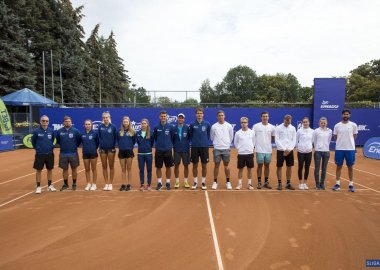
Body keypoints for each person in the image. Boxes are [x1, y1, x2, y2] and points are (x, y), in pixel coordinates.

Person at [332, 109, 358, 192]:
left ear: (349, 115)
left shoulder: (353, 125)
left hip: (350, 149)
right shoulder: (337, 126)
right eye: (344, 114)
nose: (345, 116)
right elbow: (335, 137)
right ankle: (337, 184)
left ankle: (351, 184)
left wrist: (350, 143)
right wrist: (340, 143)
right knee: (338, 166)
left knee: (350, 167)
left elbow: (354, 136)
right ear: (342, 115)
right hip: (339, 149)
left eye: (347, 114)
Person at [31, 115, 56, 194]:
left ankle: (49, 186)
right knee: (38, 170)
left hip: (49, 154)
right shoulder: (36, 131)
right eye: (43, 121)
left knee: (50, 169)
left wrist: (50, 148)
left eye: (46, 121)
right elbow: (33, 142)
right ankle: (38, 187)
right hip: (40, 154)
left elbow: (52, 140)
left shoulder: (51, 131)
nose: (45, 122)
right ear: (40, 121)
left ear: (48, 122)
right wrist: (38, 149)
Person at [56, 116, 81, 191]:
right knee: (65, 169)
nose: (67, 122)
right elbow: (58, 141)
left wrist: (74, 146)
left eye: (69, 121)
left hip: (73, 153)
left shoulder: (75, 131)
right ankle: (66, 184)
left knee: (74, 169)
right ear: (63, 122)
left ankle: (74, 184)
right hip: (63, 153)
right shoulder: (59, 131)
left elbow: (79, 141)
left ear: (71, 122)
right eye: (66, 121)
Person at [210, 110, 234, 190]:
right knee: (216, 165)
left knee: (226, 166)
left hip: (226, 149)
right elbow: (212, 137)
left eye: (222, 115)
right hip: (217, 148)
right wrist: (217, 144)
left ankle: (228, 182)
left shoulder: (229, 126)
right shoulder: (214, 126)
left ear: (224, 116)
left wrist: (226, 144)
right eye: (219, 115)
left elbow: (231, 137)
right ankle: (215, 182)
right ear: (217, 117)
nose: (221, 117)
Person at [189, 107, 211, 190]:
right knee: (195, 165)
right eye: (198, 113)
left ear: (203, 114)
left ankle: (203, 182)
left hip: (204, 147)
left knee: (204, 165)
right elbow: (190, 135)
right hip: (194, 147)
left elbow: (208, 135)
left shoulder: (207, 124)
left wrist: (203, 141)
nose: (199, 115)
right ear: (196, 114)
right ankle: (195, 182)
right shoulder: (192, 124)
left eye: (201, 113)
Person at [253, 111, 275, 189]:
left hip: (268, 150)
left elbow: (273, 138)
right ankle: (259, 182)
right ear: (261, 117)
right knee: (259, 166)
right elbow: (252, 137)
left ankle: (266, 182)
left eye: (266, 116)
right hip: (259, 150)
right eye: (263, 116)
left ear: (268, 117)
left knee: (267, 166)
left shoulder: (272, 127)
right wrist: (253, 148)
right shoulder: (256, 126)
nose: (265, 118)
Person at [153, 110, 175, 190]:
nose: (163, 118)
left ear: (166, 117)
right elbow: (155, 137)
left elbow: (172, 137)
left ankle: (168, 183)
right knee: (158, 167)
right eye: (162, 116)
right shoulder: (156, 127)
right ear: (159, 117)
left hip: (168, 150)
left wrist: (168, 145)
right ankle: (159, 183)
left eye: (164, 116)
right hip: (159, 150)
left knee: (168, 167)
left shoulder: (170, 127)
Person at [275, 114, 296, 190]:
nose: (287, 122)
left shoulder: (293, 128)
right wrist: (284, 149)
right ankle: (279, 183)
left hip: (290, 151)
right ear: (284, 119)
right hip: (281, 150)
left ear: (291, 120)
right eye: (286, 120)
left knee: (289, 167)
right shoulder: (278, 128)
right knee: (279, 167)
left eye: (289, 120)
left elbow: (294, 140)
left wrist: (289, 149)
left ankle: (288, 183)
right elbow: (277, 140)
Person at [234, 117, 255, 190]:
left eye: (245, 122)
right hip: (241, 154)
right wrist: (240, 149)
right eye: (242, 122)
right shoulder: (238, 133)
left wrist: (251, 149)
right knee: (240, 169)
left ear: (247, 123)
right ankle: (239, 184)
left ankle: (249, 184)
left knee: (249, 169)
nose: (244, 123)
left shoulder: (252, 132)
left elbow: (254, 142)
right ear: (240, 123)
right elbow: (236, 143)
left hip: (249, 153)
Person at [98, 111, 117, 191]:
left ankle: (110, 184)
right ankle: (106, 183)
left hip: (111, 149)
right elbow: (99, 137)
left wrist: (114, 146)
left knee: (111, 166)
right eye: (104, 118)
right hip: (102, 149)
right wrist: (99, 146)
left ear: (109, 118)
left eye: (107, 117)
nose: (105, 119)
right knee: (104, 166)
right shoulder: (100, 127)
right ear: (102, 118)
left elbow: (116, 138)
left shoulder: (113, 127)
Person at [117, 116, 136, 191]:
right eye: (124, 122)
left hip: (129, 151)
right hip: (121, 151)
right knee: (123, 169)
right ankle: (123, 184)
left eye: (127, 122)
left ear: (129, 123)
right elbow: (118, 140)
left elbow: (134, 141)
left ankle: (129, 184)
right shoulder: (119, 131)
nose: (125, 123)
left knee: (129, 168)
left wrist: (129, 146)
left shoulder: (132, 131)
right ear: (122, 123)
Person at [313, 117, 332, 190]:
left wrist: (326, 147)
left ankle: (322, 183)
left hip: (326, 152)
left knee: (324, 169)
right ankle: (317, 183)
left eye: (324, 123)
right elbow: (314, 141)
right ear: (319, 123)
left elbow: (329, 140)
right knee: (317, 168)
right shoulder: (316, 131)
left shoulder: (329, 131)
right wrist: (317, 148)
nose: (323, 124)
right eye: (321, 123)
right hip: (318, 151)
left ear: (326, 123)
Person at [173, 113, 191, 189]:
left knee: (186, 165)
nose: (180, 119)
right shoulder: (173, 128)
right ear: (177, 119)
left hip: (185, 150)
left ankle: (186, 181)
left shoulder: (187, 128)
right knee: (176, 165)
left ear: (184, 119)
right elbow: (172, 138)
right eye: (179, 118)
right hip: (177, 149)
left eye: (182, 118)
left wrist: (185, 144)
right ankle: (177, 181)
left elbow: (189, 137)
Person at [296, 117, 314, 190]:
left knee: (307, 167)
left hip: (308, 152)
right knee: (300, 167)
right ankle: (300, 183)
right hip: (300, 151)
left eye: (306, 122)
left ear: (309, 122)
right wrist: (298, 147)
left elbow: (312, 141)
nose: (305, 123)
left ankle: (305, 183)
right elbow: (296, 140)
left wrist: (309, 147)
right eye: (304, 122)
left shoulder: (312, 131)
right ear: (302, 123)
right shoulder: (299, 131)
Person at [136, 118, 154, 191]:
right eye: (142, 123)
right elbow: (137, 141)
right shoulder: (137, 133)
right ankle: (142, 184)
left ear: (147, 124)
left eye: (145, 123)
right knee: (141, 170)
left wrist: (148, 147)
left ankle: (149, 184)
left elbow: (152, 142)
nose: (143, 125)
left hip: (148, 154)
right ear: (141, 124)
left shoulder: (151, 133)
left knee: (149, 170)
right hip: (140, 154)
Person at [81, 119, 99, 191]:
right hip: (85, 154)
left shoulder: (95, 133)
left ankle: (94, 184)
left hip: (93, 153)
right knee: (87, 169)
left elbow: (97, 143)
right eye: (86, 124)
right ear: (84, 125)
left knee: (93, 169)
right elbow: (80, 142)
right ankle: (88, 183)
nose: (87, 125)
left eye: (89, 124)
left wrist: (94, 149)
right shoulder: (82, 134)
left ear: (91, 125)